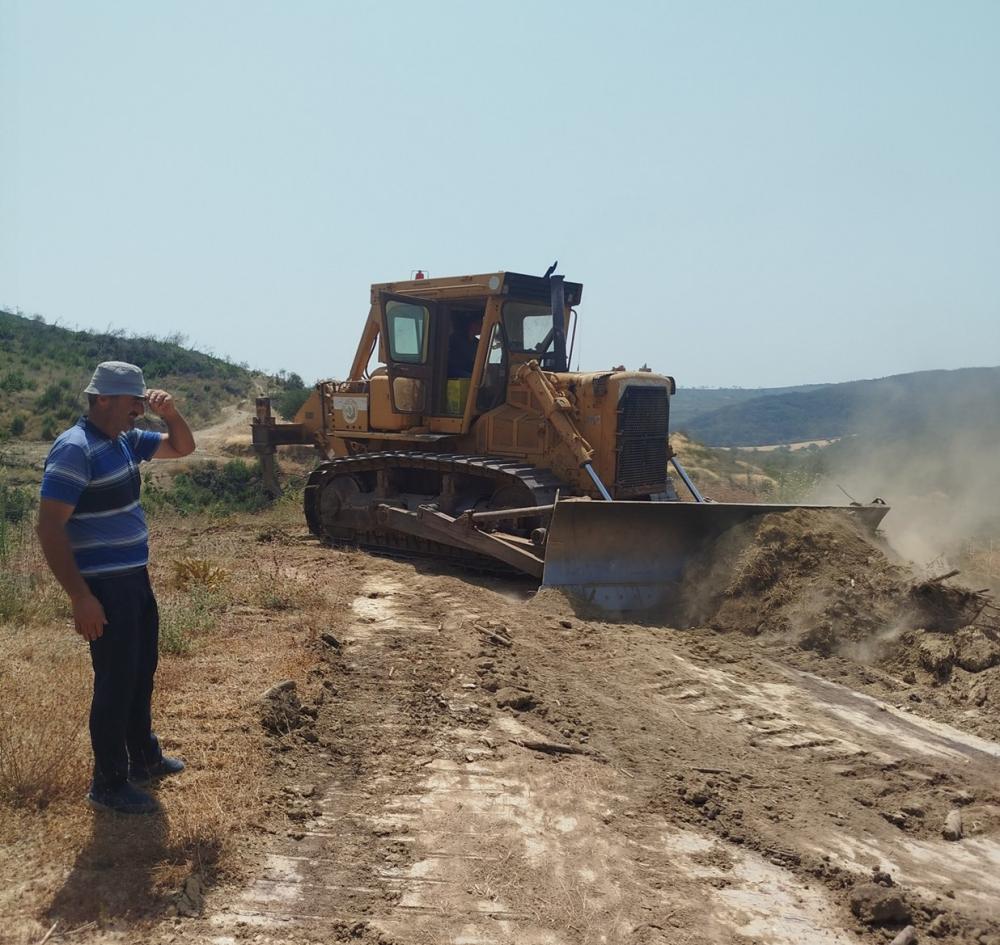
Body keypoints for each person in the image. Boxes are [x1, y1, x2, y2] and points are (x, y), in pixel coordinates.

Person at [36, 361, 195, 815]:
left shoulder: (123, 439)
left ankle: (143, 756)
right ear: (103, 399)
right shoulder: (75, 449)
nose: (139, 411)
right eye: (134, 402)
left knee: (141, 670)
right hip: (104, 587)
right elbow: (50, 528)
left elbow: (181, 447)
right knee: (114, 680)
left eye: (143, 403)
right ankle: (107, 783)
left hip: (134, 578)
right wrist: (81, 597)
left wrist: (171, 415)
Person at [446, 313, 482, 378]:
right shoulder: (455, 338)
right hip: (455, 369)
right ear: (471, 325)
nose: (481, 326)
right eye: (478, 324)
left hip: (470, 369)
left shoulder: (478, 342)